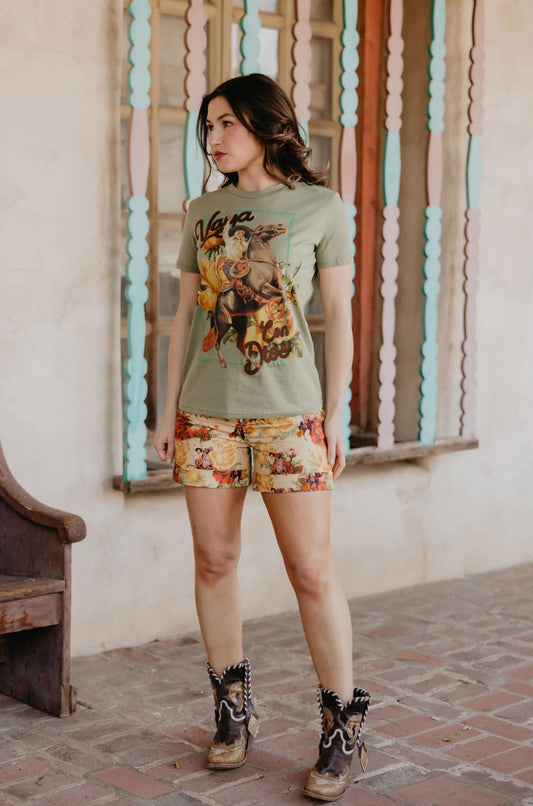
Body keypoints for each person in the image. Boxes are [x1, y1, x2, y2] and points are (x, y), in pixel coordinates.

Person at [153, 73, 370, 802]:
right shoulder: (203, 211)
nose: (213, 139)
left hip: (289, 416)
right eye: (208, 126)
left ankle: (342, 724)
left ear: (264, 125)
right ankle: (232, 710)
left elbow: (338, 315)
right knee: (214, 561)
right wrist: (167, 411)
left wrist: (334, 414)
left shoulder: (320, 207)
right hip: (206, 414)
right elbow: (185, 316)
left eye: (227, 124)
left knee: (310, 569)